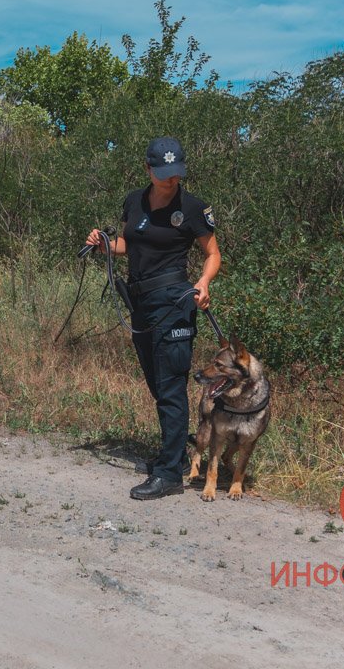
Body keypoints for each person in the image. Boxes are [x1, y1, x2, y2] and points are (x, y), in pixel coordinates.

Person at [86, 136, 221, 500]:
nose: (171, 180)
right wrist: (104, 245)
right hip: (141, 302)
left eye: (176, 173)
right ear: (148, 169)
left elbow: (212, 254)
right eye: (164, 173)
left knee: (172, 387)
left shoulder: (193, 208)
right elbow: (130, 244)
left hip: (174, 301)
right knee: (158, 387)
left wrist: (204, 283)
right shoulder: (133, 201)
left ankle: (168, 475)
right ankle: (174, 457)